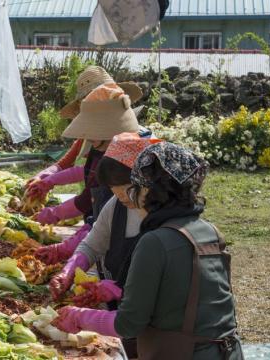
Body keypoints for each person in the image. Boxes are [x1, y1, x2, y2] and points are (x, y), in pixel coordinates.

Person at [53, 142, 242, 360]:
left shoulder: (155, 241)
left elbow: (128, 324)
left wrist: (79, 317)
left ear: (149, 191)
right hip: (227, 353)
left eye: (136, 187)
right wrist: (121, 292)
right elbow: (183, 298)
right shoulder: (209, 231)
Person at [42, 133, 160, 358]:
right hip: (125, 317)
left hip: (159, 333)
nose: (119, 198)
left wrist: (119, 291)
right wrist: (68, 272)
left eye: (124, 191)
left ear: (143, 181)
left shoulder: (166, 224)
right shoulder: (116, 205)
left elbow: (153, 303)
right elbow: (92, 244)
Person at [25, 65, 143, 199]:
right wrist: (42, 177)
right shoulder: (89, 136)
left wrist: (51, 182)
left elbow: (90, 171)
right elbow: (65, 163)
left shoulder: (126, 140)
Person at [34, 83, 141, 229]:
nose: (88, 137)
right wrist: (50, 179)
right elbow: (84, 170)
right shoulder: (100, 147)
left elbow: (85, 200)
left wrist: (54, 213)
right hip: (98, 226)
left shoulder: (122, 158)